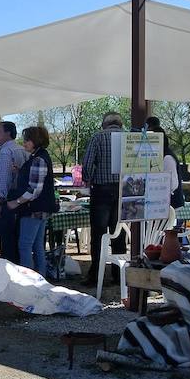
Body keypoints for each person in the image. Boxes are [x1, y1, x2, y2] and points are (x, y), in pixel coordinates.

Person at [81, 112, 126, 287]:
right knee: (119, 233)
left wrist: (88, 178)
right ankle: (118, 274)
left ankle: (96, 275)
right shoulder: (128, 137)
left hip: (102, 190)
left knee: (99, 234)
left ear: (104, 124)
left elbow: (87, 164)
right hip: (123, 189)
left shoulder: (98, 137)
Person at [7, 126, 58, 278]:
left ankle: (28, 283)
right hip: (41, 209)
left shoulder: (38, 159)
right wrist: (20, 171)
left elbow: (34, 189)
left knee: (25, 245)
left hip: (34, 209)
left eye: (27, 140)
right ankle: (40, 280)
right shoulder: (39, 157)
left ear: (36, 141)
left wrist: (16, 202)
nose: (24, 143)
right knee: (37, 246)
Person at [0, 121, 29, 264]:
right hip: (22, 199)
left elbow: (4, 180)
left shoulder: (6, 152)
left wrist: (0, 204)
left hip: (9, 200)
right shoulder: (22, 150)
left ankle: (9, 274)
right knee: (18, 239)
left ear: (8, 133)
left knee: (7, 241)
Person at [146, 116, 185, 208]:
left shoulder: (167, 157)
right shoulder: (159, 156)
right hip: (162, 204)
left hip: (171, 205)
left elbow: (173, 184)